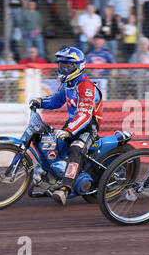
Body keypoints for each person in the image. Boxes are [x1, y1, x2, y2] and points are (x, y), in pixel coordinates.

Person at [28, 47, 103, 206]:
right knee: (51, 145)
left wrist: (68, 131)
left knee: (75, 149)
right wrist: (40, 101)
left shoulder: (86, 87)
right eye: (62, 65)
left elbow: (84, 115)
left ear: (79, 67)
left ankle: (65, 189)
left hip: (88, 128)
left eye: (68, 66)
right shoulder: (68, 84)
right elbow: (56, 101)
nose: (64, 69)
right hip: (72, 124)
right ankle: (51, 177)